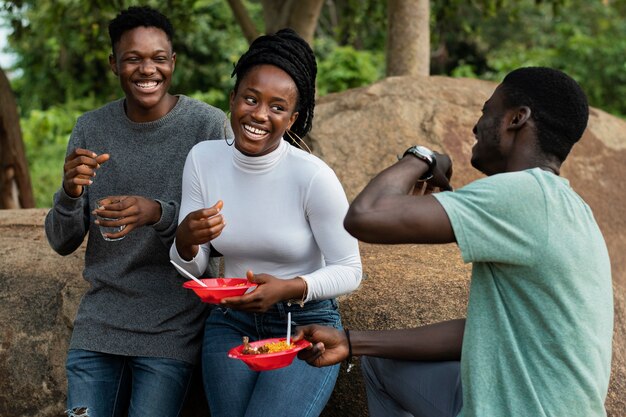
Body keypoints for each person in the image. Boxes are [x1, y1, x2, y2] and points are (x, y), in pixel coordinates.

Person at [296, 67, 613, 417]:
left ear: (516, 119)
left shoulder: (520, 194)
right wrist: (353, 341)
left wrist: (421, 156)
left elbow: (365, 216)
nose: (477, 127)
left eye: (486, 111)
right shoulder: (572, 207)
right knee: (379, 364)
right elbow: (480, 333)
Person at [44, 6, 232, 417]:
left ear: (173, 63)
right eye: (133, 58)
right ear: (114, 64)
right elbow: (61, 241)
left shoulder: (207, 126)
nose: (148, 69)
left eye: (158, 58)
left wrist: (158, 213)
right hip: (99, 325)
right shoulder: (91, 128)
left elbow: (224, 234)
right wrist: (71, 192)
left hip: (173, 328)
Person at [169, 28, 362, 417]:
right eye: (251, 99)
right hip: (230, 320)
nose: (259, 114)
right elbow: (193, 268)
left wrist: (288, 287)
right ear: (233, 99)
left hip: (304, 324)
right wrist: (186, 240)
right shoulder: (203, 160)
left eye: (277, 107)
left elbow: (350, 270)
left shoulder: (312, 176)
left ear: (292, 118)